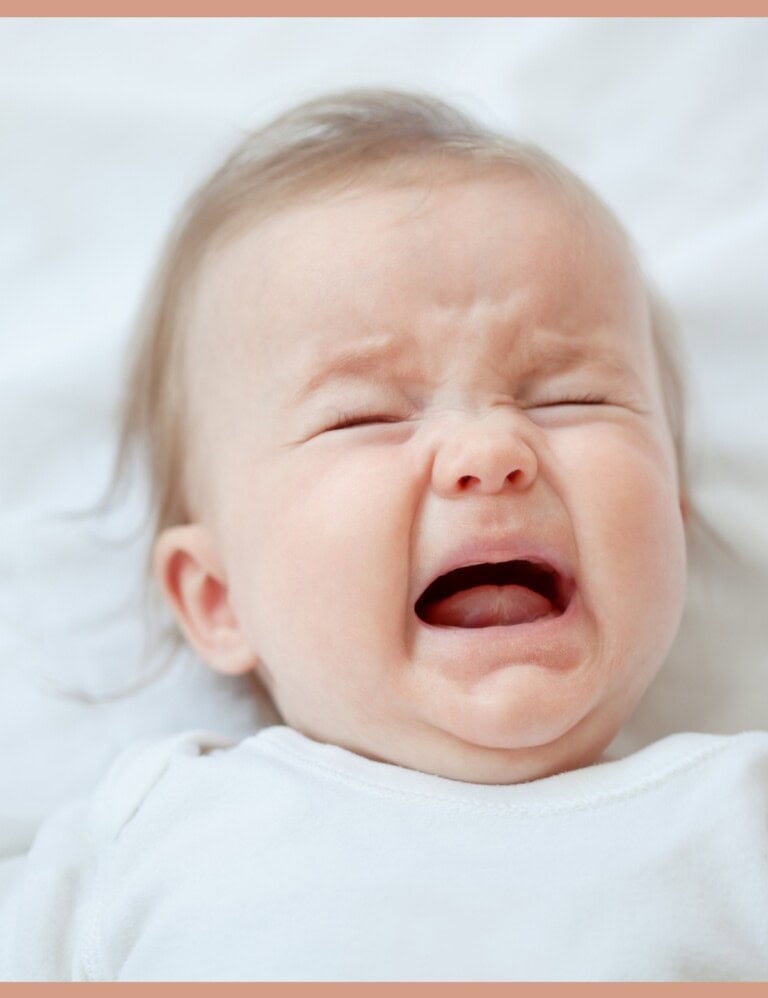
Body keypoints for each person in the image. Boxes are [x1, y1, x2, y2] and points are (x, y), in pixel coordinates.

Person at [2, 88, 766, 981]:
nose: (490, 449)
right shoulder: (153, 829)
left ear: (672, 519)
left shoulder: (739, 819)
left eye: (571, 398)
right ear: (218, 599)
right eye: (363, 415)